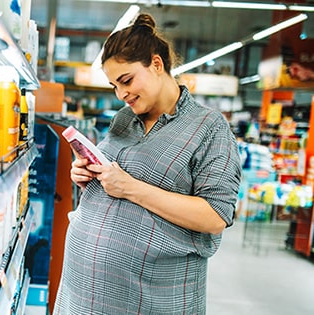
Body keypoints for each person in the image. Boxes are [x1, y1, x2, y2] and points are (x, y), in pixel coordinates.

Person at [53, 12, 242, 315]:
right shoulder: (125, 119)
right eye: (114, 85)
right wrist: (85, 173)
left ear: (156, 64)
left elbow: (215, 216)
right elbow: (111, 181)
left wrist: (131, 189)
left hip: (152, 300)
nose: (121, 94)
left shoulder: (209, 127)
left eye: (126, 80)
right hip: (80, 294)